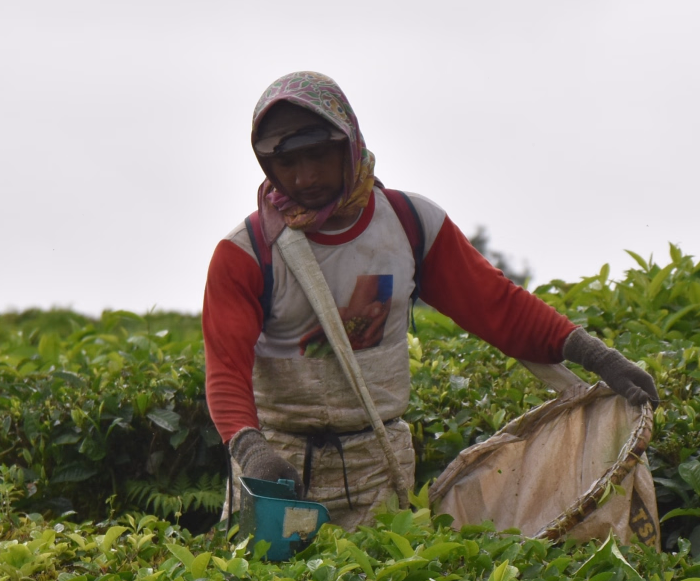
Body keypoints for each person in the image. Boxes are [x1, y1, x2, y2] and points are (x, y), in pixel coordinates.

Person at [201, 71, 659, 529]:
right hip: (277, 471)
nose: (305, 176)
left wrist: (597, 356)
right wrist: (252, 451)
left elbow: (499, 308)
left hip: (376, 464)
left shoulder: (408, 225)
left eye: (318, 155)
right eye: (287, 163)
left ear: (349, 143)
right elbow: (226, 368)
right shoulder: (246, 252)